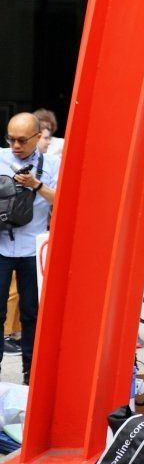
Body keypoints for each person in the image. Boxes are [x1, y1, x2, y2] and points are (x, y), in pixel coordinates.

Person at [2, 112, 57, 383]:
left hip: (34, 250)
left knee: (32, 315)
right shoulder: (0, 158)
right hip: (2, 247)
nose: (15, 146)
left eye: (22, 140)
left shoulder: (53, 164)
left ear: (38, 137)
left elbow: (63, 200)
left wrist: (36, 185)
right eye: (10, 139)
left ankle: (30, 373)